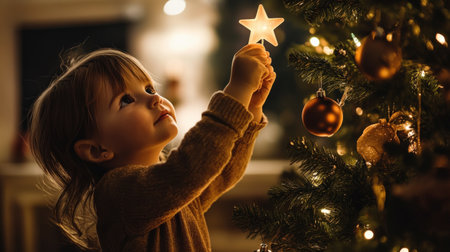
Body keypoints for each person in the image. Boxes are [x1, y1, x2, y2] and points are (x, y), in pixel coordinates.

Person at [29, 43, 276, 251]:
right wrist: (236, 91)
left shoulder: (171, 184)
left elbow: (221, 172)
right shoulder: (118, 192)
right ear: (97, 150)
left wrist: (250, 109)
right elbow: (191, 169)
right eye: (126, 100)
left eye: (149, 88)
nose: (155, 98)